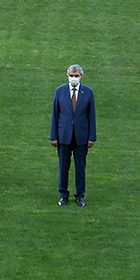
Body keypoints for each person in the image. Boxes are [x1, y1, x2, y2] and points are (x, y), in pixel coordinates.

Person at [50, 63, 96, 206]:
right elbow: (55, 115)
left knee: (80, 168)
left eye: (76, 76)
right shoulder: (60, 91)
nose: (74, 78)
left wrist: (92, 137)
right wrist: (54, 136)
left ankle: (80, 196)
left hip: (81, 137)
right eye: (71, 76)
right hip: (64, 136)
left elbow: (91, 116)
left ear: (81, 76)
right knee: (63, 167)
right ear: (67, 76)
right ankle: (63, 195)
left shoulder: (88, 92)